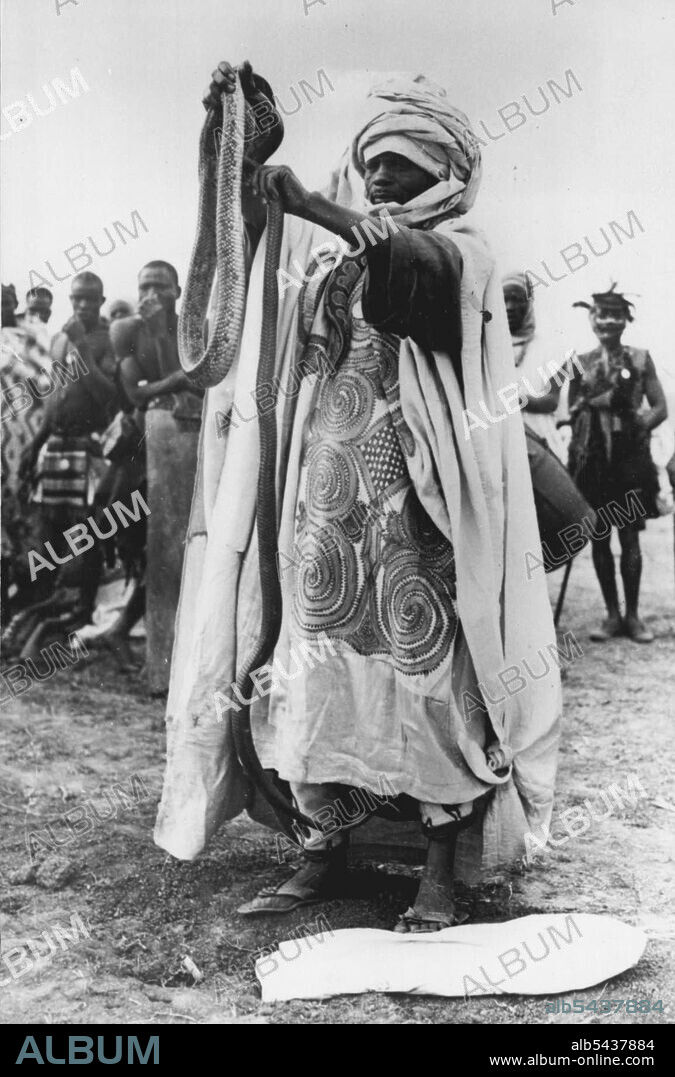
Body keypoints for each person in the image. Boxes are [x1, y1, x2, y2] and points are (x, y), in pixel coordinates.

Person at [154, 63, 560, 932]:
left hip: (423, 508)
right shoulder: (331, 258)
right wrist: (239, 150)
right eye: (372, 163)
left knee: (430, 678)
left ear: (443, 175)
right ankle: (319, 853)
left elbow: (402, 268)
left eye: (401, 167)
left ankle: (440, 874)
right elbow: (261, 269)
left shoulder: (466, 258)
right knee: (316, 671)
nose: (379, 177)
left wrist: (312, 203)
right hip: (324, 504)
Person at [109, 261, 202, 688]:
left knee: (192, 548)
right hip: (154, 441)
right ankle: (160, 668)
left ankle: (190, 664)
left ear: (177, 291)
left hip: (192, 434)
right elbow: (136, 392)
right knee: (161, 549)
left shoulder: (191, 324)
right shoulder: (126, 331)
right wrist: (179, 380)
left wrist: (178, 375)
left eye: (160, 288)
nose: (150, 294)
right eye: (144, 286)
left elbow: (203, 381)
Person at [568, 285, 667, 643]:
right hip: (593, 462)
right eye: (601, 313)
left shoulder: (640, 358)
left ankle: (634, 616)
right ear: (592, 319)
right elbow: (572, 408)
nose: (608, 320)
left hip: (629, 462)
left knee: (629, 537)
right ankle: (610, 615)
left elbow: (660, 407)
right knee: (599, 537)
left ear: (627, 318)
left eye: (615, 314)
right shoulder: (579, 361)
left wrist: (636, 427)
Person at [19, 271, 117, 630]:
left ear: (102, 301)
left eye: (90, 298)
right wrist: (35, 443)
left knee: (86, 530)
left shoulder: (108, 339)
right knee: (50, 528)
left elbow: (107, 395)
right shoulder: (60, 339)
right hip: (56, 442)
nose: (83, 305)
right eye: (77, 298)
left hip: (87, 443)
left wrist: (84, 348)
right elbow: (53, 398)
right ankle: (47, 605)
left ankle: (82, 609)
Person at [1, 284, 53, 629]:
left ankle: (21, 610)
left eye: (5, 302)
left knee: (23, 525)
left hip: (24, 442)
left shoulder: (31, 338)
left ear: (15, 304)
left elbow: (47, 383)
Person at [502, 271, 566, 461]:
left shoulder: (552, 347)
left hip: (540, 438)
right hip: (503, 442)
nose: (509, 307)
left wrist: (512, 401)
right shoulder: (488, 349)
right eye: (503, 300)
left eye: (517, 300)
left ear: (529, 303)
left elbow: (551, 401)